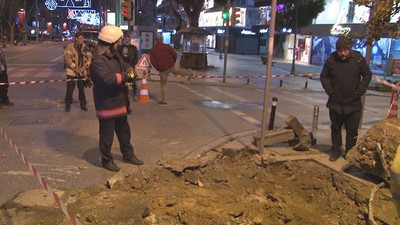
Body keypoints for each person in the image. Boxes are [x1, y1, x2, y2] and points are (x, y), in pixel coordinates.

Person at [90, 25, 143, 172]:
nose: (118, 45)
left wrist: (130, 71)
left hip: (120, 102)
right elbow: (109, 80)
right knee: (107, 136)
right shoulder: (98, 61)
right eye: (116, 42)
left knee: (124, 132)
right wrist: (128, 76)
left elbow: (126, 65)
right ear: (109, 43)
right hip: (106, 105)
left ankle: (128, 154)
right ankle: (106, 160)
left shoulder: (115, 56)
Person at [320, 36, 372, 162]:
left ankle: (350, 153)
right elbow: (323, 77)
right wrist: (330, 91)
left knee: (352, 131)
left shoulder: (357, 59)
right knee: (336, 129)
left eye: (345, 50)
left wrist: (360, 91)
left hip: (353, 103)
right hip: (336, 103)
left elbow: (367, 75)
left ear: (349, 49)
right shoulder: (332, 60)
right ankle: (336, 150)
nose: (343, 53)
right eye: (340, 51)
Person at [150, 35, 191, 106]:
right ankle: (188, 72)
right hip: (170, 65)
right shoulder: (167, 46)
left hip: (162, 69)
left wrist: (157, 67)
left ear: (155, 40)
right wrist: (173, 62)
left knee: (163, 85)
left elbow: (152, 61)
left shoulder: (153, 50)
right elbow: (174, 54)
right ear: (162, 40)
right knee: (178, 71)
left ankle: (164, 101)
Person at [63, 32, 92, 112]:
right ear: (76, 39)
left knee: (81, 89)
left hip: (81, 72)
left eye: (82, 38)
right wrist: (76, 69)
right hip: (72, 72)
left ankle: (83, 104)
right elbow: (67, 60)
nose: (81, 40)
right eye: (80, 38)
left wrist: (83, 68)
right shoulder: (70, 47)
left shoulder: (85, 47)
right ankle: (68, 104)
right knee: (70, 89)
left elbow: (89, 58)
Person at [118, 34, 139, 113]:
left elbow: (136, 57)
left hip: (130, 66)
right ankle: (124, 94)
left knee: (132, 81)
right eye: (126, 39)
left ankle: (135, 94)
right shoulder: (120, 47)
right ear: (124, 40)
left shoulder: (133, 48)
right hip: (122, 67)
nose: (127, 40)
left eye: (128, 39)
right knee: (124, 81)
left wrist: (132, 65)